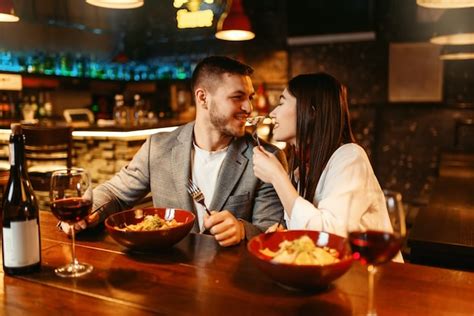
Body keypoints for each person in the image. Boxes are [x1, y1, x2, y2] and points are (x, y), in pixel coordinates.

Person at [60, 56, 286, 247]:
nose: (249, 107)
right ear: (202, 98)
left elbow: (272, 231)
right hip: (169, 273)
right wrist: (91, 212)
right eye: (238, 97)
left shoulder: (267, 158)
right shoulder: (158, 148)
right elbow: (115, 193)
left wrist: (243, 230)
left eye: (250, 97)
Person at [252, 73, 393, 239]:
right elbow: (310, 226)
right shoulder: (304, 165)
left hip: (369, 263)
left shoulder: (350, 157)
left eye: (281, 103)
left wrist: (277, 177)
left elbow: (330, 237)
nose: (273, 113)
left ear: (311, 112)